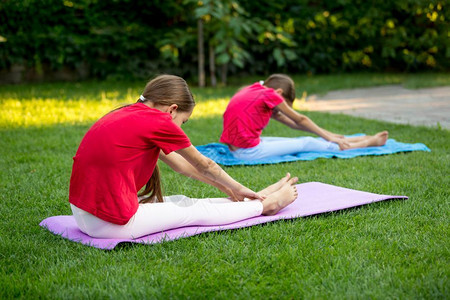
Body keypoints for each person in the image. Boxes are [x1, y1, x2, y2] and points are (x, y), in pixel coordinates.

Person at [69, 75, 298, 239]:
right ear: (172, 110)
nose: (181, 128)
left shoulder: (127, 113)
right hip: (107, 224)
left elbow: (182, 166)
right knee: (192, 212)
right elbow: (205, 165)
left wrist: (231, 189)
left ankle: (255, 198)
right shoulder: (158, 121)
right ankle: (267, 204)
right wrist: (234, 186)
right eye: (183, 121)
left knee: (182, 201)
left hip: (84, 215)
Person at [220, 73, 389, 160]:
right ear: (279, 93)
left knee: (304, 138)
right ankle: (366, 143)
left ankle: (347, 140)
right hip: (247, 152)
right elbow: (300, 119)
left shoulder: (254, 91)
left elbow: (293, 124)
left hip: (238, 148)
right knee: (306, 142)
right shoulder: (271, 95)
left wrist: (328, 134)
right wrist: (329, 136)